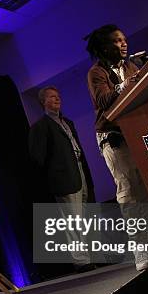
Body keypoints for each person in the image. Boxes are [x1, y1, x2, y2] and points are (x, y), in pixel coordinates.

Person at [85, 24, 148, 271]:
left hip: (136, 131)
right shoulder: (96, 73)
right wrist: (127, 83)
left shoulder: (132, 66)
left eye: (124, 40)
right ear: (104, 47)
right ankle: (140, 247)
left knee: (146, 191)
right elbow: (103, 100)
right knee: (128, 190)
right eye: (117, 41)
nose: (124, 44)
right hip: (113, 136)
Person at [28, 86, 96, 272]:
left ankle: (87, 256)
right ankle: (81, 261)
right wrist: (54, 172)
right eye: (52, 97)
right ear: (43, 102)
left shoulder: (68, 122)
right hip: (62, 179)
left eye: (58, 96)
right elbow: (37, 158)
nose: (57, 99)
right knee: (72, 220)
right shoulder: (40, 127)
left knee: (81, 218)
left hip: (78, 171)